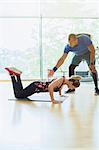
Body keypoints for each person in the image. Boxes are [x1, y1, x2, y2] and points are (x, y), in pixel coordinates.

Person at [5, 67, 81, 104]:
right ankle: (12, 75)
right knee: (18, 95)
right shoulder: (61, 79)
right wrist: (52, 100)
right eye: (73, 87)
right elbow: (50, 87)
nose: (72, 88)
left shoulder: (64, 81)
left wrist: (60, 95)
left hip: (36, 87)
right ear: (71, 83)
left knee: (21, 93)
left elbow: (59, 87)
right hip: (36, 86)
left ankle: (17, 75)